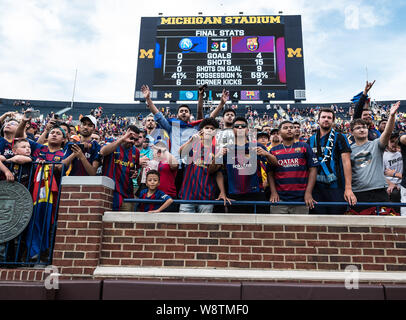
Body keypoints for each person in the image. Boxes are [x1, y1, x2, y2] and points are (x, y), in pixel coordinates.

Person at [350, 101, 400, 212]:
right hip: (358, 193)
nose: (362, 129)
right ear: (352, 132)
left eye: (364, 127)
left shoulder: (376, 144)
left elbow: (387, 132)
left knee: (385, 225)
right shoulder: (348, 150)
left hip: (379, 191)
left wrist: (391, 116)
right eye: (358, 128)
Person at [222, 117, 277, 213]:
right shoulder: (226, 149)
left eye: (243, 126)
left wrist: (267, 154)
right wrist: (218, 156)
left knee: (260, 225)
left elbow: (275, 164)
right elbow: (215, 171)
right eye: (236, 126)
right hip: (234, 195)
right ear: (232, 130)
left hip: (256, 193)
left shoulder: (257, 147)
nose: (240, 128)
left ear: (247, 130)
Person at [307, 108, 357, 214]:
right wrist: (308, 191)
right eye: (323, 117)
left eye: (329, 118)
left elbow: (346, 162)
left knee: (336, 219)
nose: (326, 119)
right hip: (316, 188)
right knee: (318, 220)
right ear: (318, 120)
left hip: (336, 187)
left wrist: (348, 188)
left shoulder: (340, 137)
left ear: (333, 121)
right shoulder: (310, 140)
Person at [178, 117, 230, 213]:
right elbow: (180, 153)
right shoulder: (193, 143)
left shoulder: (218, 150)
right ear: (201, 130)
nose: (209, 130)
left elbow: (217, 173)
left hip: (207, 196)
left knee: (204, 226)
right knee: (184, 226)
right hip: (187, 195)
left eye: (212, 128)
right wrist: (191, 141)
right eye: (207, 127)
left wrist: (222, 192)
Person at [269, 120, 319, 214]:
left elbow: (313, 169)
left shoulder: (304, 147)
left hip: (301, 199)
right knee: (277, 227)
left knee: (301, 228)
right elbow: (270, 173)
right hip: (280, 199)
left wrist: (308, 193)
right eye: (285, 128)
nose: (289, 130)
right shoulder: (273, 151)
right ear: (279, 132)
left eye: (291, 127)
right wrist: (273, 192)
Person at [100, 125, 143, 211]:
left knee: (126, 223)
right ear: (125, 133)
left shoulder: (136, 152)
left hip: (126, 195)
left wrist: (135, 173)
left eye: (135, 139)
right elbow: (102, 152)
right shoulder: (112, 143)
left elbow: (136, 169)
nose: (132, 141)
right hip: (109, 193)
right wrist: (122, 139)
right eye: (131, 137)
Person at [383, 132, 402, 212]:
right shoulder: (383, 155)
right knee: (394, 194)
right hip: (389, 184)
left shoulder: (402, 153)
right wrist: (390, 184)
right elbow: (380, 174)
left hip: (402, 183)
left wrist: (394, 174)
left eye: (396, 141)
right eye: (392, 141)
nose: (394, 144)